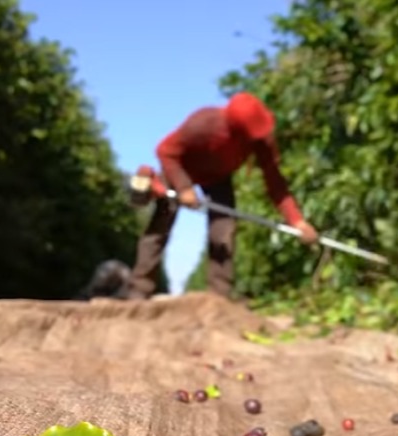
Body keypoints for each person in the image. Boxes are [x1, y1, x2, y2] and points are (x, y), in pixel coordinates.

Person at [126, 92, 319, 300]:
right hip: (180, 170)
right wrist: (184, 188)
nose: (258, 139)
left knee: (224, 230)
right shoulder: (204, 124)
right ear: (235, 130)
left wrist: (297, 220)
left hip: (218, 178)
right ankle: (139, 289)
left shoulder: (260, 141)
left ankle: (219, 296)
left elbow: (275, 183)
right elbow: (165, 151)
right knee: (160, 226)